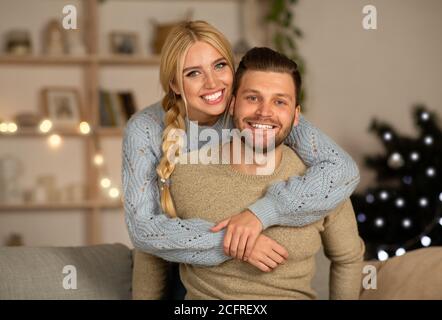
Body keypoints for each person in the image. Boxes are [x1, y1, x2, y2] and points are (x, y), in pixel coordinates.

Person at [122, 21, 360, 298]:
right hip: (181, 259)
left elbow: (341, 169)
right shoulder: (147, 129)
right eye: (193, 73)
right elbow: (144, 231)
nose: (212, 83)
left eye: (220, 66)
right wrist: (234, 240)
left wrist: (261, 214)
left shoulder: (259, 115)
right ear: (175, 83)